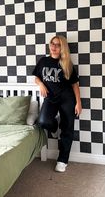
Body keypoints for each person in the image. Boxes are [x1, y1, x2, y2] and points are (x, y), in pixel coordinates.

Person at [32, 35, 82, 172]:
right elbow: (36, 77)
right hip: (50, 98)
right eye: (52, 44)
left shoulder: (67, 64)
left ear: (62, 48)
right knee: (43, 122)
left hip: (67, 99)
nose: (54, 47)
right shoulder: (43, 61)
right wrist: (41, 84)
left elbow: (74, 85)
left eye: (58, 45)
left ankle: (62, 160)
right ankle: (54, 126)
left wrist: (78, 103)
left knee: (67, 129)